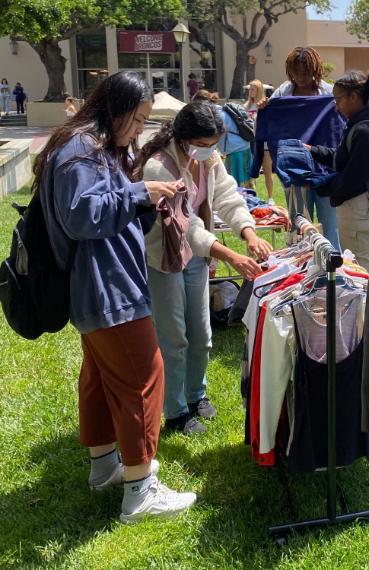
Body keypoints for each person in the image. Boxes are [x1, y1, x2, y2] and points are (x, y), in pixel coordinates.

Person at [36, 71, 196, 522]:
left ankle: (105, 465)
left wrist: (144, 203)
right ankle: (141, 489)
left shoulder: (87, 146)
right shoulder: (80, 150)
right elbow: (82, 216)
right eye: (138, 119)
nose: (139, 130)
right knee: (144, 377)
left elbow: (107, 211)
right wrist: (140, 191)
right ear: (116, 109)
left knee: (102, 378)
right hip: (106, 287)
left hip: (101, 286)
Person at [137, 101, 273, 435]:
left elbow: (228, 196)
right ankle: (175, 410)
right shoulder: (159, 167)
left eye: (213, 144)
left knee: (202, 333)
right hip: (164, 258)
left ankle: (196, 394)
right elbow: (187, 225)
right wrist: (232, 256)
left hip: (196, 258)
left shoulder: (209, 158)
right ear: (184, 138)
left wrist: (249, 232)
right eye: (201, 145)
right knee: (174, 337)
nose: (208, 151)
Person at [306, 69, 369, 272]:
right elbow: (342, 158)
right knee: (358, 257)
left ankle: (365, 302)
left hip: (357, 203)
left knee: (358, 262)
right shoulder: (364, 124)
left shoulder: (365, 130)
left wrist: (322, 186)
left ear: (354, 97)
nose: (336, 107)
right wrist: (313, 150)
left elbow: (354, 177)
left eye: (338, 100)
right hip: (364, 201)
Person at [259, 47, 339, 246]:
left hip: (326, 170)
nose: (301, 77)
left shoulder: (329, 93)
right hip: (295, 170)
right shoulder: (283, 93)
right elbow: (269, 127)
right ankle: (303, 268)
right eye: (296, 72)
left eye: (306, 72)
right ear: (290, 71)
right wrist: (265, 108)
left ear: (315, 69)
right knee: (299, 227)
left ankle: (335, 272)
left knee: (331, 226)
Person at [245, 79, 273, 203]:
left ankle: (271, 197)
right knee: (252, 170)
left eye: (253, 89)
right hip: (250, 141)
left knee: (267, 170)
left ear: (259, 90)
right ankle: (253, 196)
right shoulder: (246, 105)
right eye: (249, 89)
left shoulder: (264, 104)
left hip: (264, 141)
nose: (250, 91)